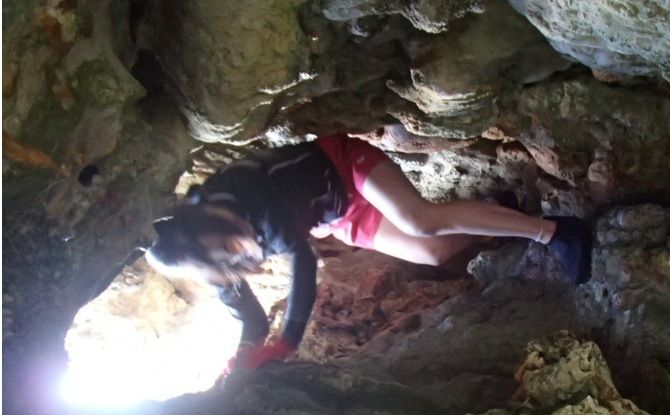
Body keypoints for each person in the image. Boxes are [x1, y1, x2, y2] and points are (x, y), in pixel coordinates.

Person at [146, 133, 590, 377]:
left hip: (342, 167)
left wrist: (287, 342)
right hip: (335, 215)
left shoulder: (249, 196)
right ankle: (495, 214)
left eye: (217, 252)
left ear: (203, 229)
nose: (224, 261)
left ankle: (554, 232)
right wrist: (243, 357)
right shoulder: (211, 257)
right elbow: (252, 318)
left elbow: (303, 260)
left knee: (420, 220)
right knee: (433, 252)